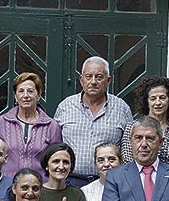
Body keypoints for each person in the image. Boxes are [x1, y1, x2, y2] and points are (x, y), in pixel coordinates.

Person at [53, 57, 131, 186]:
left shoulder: (122, 108)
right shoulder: (65, 106)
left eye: (99, 77)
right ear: (81, 80)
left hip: (109, 182)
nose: (93, 82)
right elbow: (55, 145)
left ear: (108, 80)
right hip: (70, 181)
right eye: (88, 76)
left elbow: (128, 149)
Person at [0, 72, 62, 177]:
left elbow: (57, 158)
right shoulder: (2, 122)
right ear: (15, 96)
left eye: (30, 91)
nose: (25, 95)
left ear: (38, 95)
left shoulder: (51, 126)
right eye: (21, 91)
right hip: (8, 186)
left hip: (40, 187)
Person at [121, 76, 169, 168]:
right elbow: (127, 160)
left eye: (162, 98)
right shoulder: (133, 127)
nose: (158, 103)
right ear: (146, 101)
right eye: (153, 98)